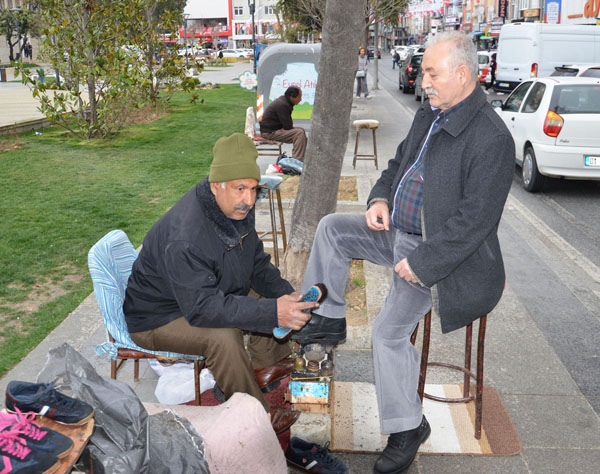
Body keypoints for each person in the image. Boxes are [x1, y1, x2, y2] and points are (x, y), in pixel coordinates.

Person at [292, 31, 515, 474]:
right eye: (425, 72)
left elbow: (474, 224)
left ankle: (407, 428)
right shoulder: (431, 115)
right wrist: (379, 199)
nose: (423, 80)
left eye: (432, 72)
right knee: (332, 228)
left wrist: (423, 264)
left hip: (441, 259)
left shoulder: (492, 138)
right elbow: (397, 167)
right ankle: (329, 317)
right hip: (398, 232)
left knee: (387, 334)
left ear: (463, 75)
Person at [123, 133, 320, 434]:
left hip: (198, 293)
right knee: (222, 336)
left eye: (253, 189)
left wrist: (286, 296)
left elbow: (256, 265)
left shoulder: (235, 208)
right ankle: (257, 418)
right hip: (157, 316)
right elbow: (202, 310)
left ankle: (266, 366)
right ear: (217, 185)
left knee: (264, 298)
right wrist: (272, 313)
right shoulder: (185, 237)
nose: (249, 199)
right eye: (240, 189)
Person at [259, 86, 307, 161]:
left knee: (301, 131)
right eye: (299, 97)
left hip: (273, 129)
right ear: (292, 97)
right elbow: (288, 126)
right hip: (269, 132)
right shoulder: (283, 105)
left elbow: (288, 125)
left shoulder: (284, 101)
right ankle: (297, 160)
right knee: (299, 133)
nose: (300, 99)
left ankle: (300, 157)